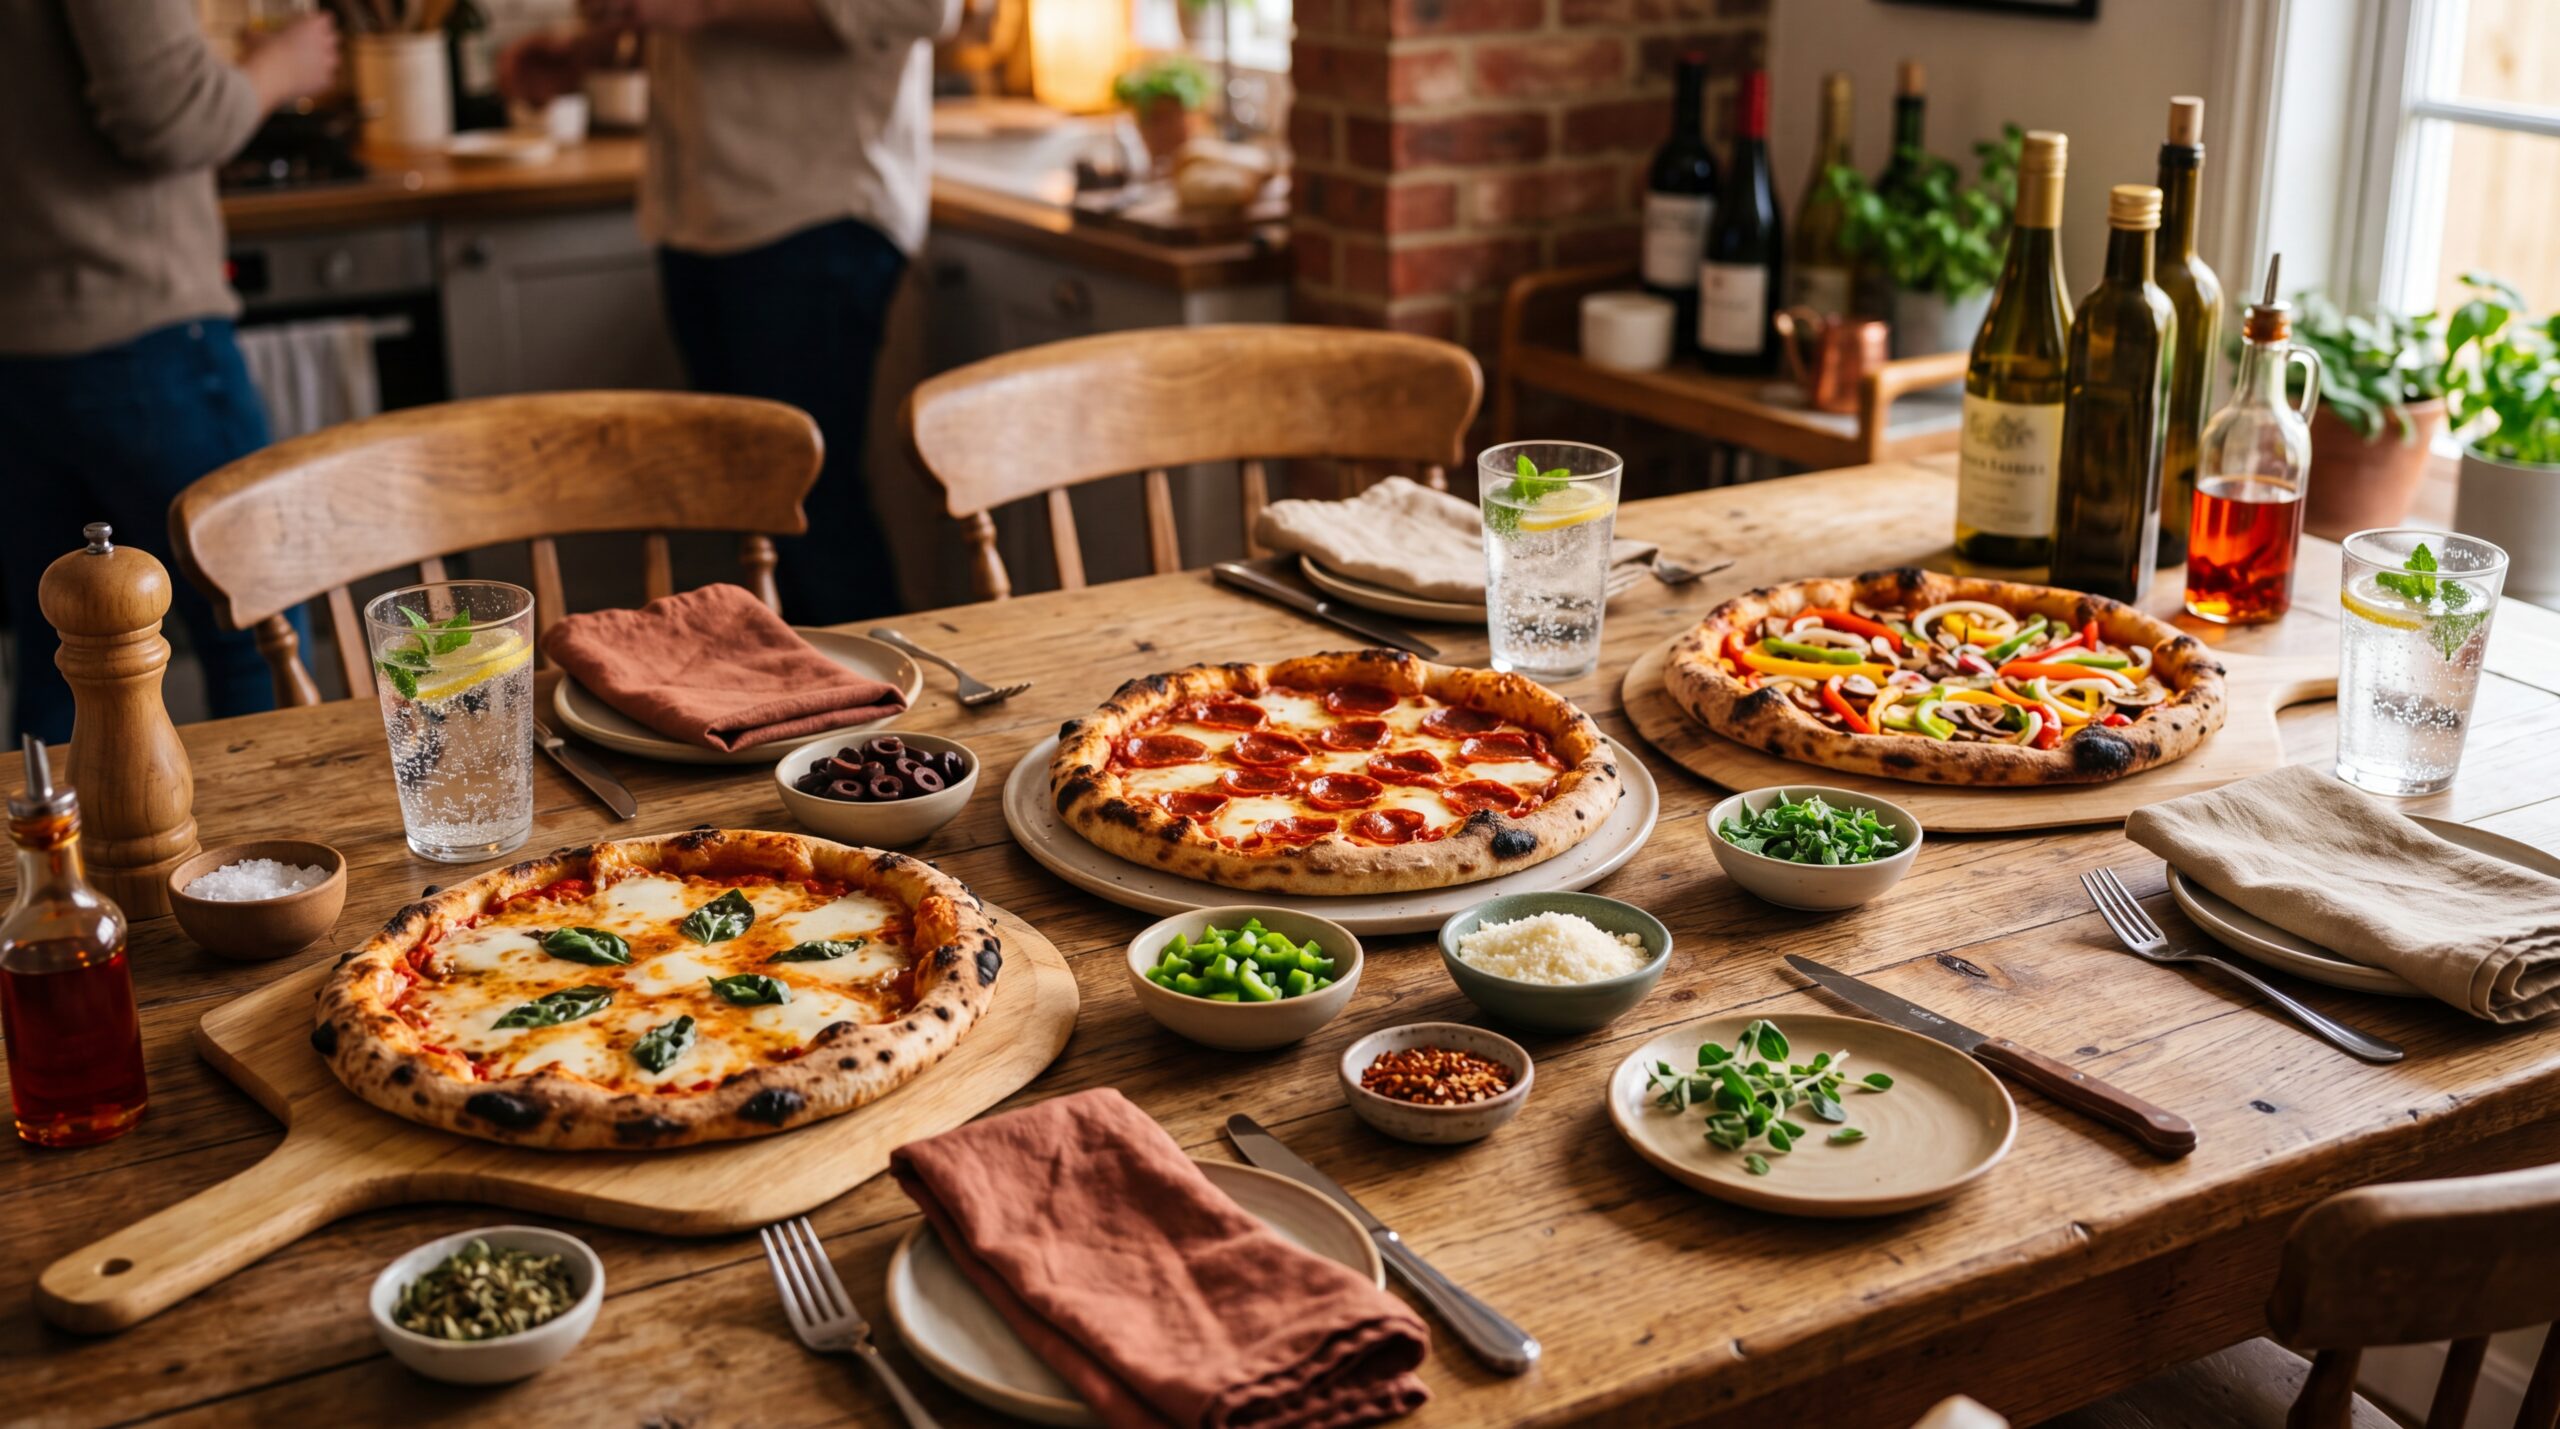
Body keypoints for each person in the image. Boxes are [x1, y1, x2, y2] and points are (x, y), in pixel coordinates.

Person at [503, 0, 958, 626]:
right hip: (701, 207)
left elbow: (923, 8)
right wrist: (590, 50)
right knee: (758, 521)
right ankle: (799, 713)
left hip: (817, 210)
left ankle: (885, 714)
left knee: (811, 514)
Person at [0, 0, 338, 745]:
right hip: (140, 331)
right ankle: (280, 855)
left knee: (65, 654)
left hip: (20, 344)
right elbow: (169, 114)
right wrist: (282, 67)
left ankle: (43, 867)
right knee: (256, 633)